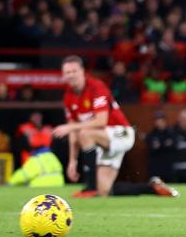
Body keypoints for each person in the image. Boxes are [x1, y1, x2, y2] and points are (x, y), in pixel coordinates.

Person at [53, 55, 178, 197]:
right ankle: (151, 188)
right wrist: (72, 161)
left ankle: (89, 187)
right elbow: (73, 133)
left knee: (84, 133)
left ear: (82, 71)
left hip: (122, 133)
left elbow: (100, 121)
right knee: (104, 190)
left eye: (74, 71)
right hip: (102, 140)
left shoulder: (96, 87)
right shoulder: (68, 97)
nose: (71, 75)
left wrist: (71, 127)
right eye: (67, 72)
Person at [146, 111, 177, 182]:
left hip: (168, 168)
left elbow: (174, 146)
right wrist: (164, 145)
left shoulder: (171, 133)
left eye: (161, 120)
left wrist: (160, 145)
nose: (159, 122)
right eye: (157, 120)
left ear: (165, 121)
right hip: (155, 168)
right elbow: (152, 148)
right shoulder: (151, 135)